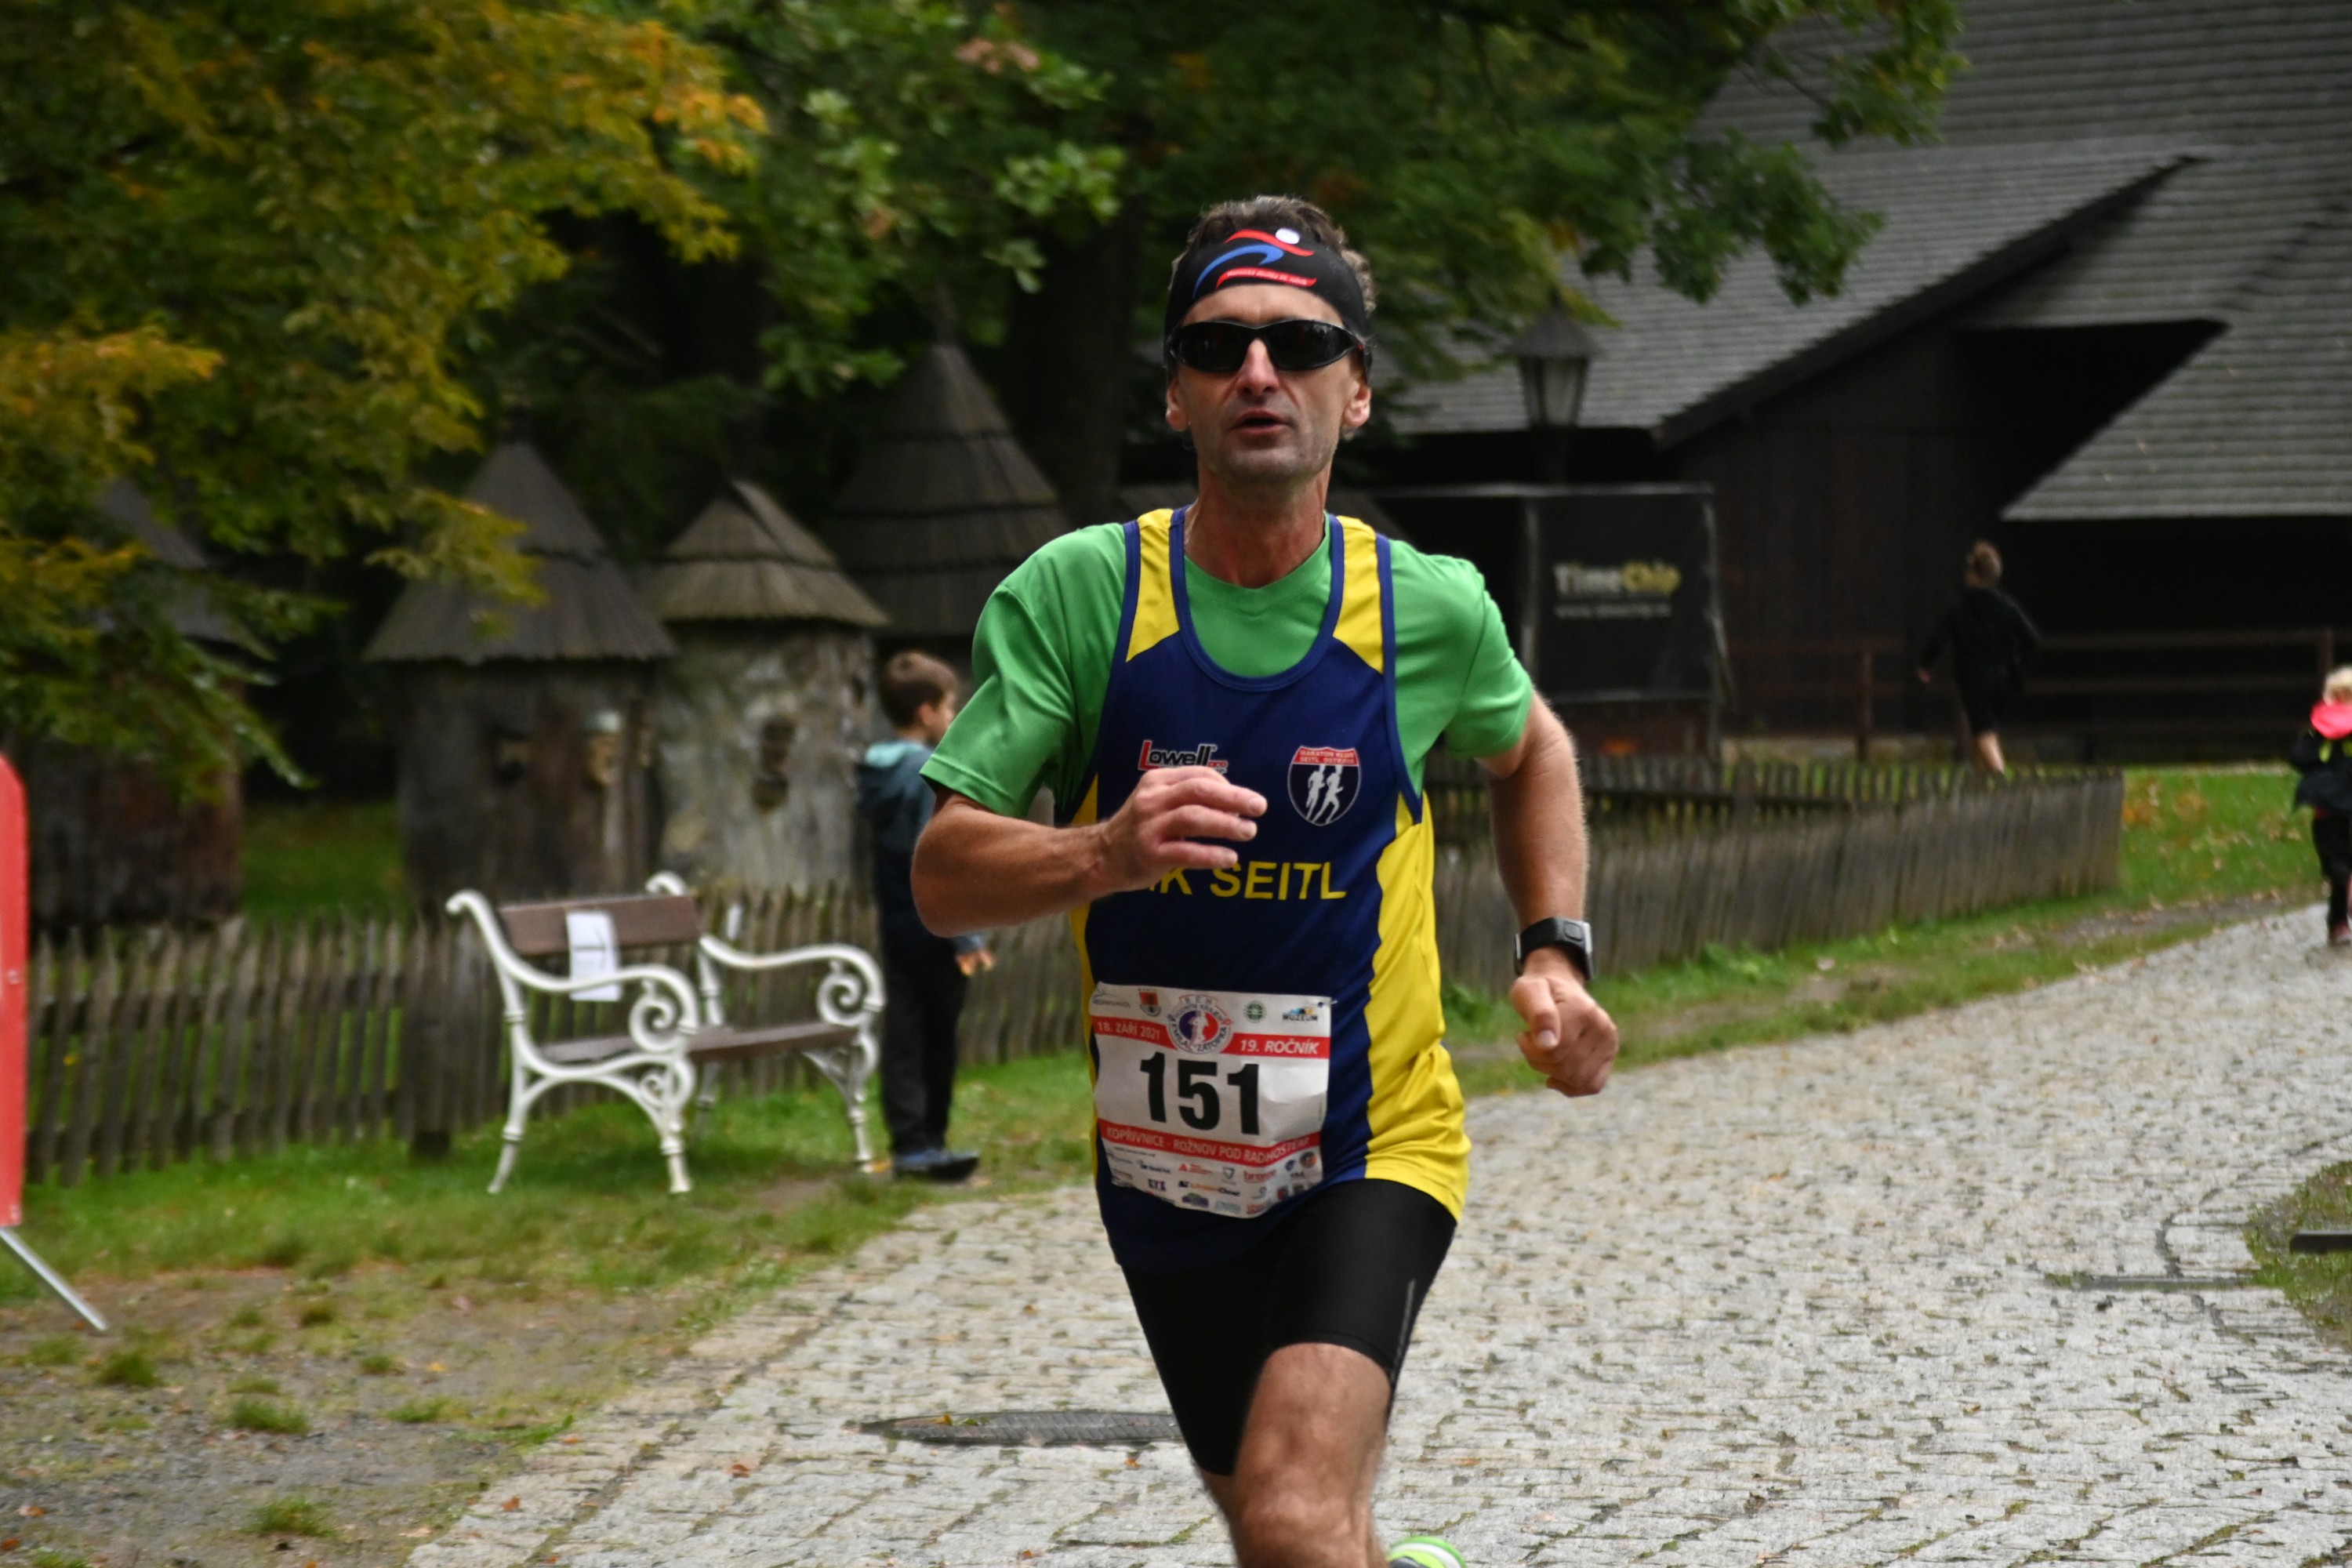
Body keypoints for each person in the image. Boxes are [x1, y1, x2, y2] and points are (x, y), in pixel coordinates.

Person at [909, 195, 1619, 1568]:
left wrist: (1554, 949)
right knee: (1283, 1533)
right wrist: (1103, 852)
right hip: (1166, 1167)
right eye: (1216, 344)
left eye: (1298, 344)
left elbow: (1531, 748)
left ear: (1356, 391)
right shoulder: (1077, 598)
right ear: (1174, 394)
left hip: (1370, 1143)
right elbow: (942, 877)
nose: (1257, 371)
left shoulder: (1426, 608)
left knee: (1295, 1513)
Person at [856, 650, 991, 1181]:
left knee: (904, 1031)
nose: (953, 717)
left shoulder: (875, 770)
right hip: (936, 923)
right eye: (950, 706)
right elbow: (939, 858)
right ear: (927, 711)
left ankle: (910, 1143)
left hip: (897, 918)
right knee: (937, 1035)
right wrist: (967, 939)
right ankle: (928, 1143)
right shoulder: (926, 773)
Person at [1915, 540, 2040, 775]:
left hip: (1974, 681)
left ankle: (2000, 780)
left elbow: (1938, 639)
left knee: (1984, 733)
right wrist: (2013, 659)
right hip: (2004, 681)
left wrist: (1925, 666)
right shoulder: (2007, 607)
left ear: (1973, 575)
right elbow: (2031, 639)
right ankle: (1979, 785)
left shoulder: (1960, 609)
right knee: (1982, 731)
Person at [2290, 666, 2352, 947]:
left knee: (2340, 867)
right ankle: (2338, 922)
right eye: (2340, 696)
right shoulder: (2320, 733)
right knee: (2338, 866)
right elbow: (2299, 757)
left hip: (2331, 810)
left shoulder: (2320, 732)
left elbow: (2299, 759)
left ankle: (2339, 921)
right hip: (2330, 812)